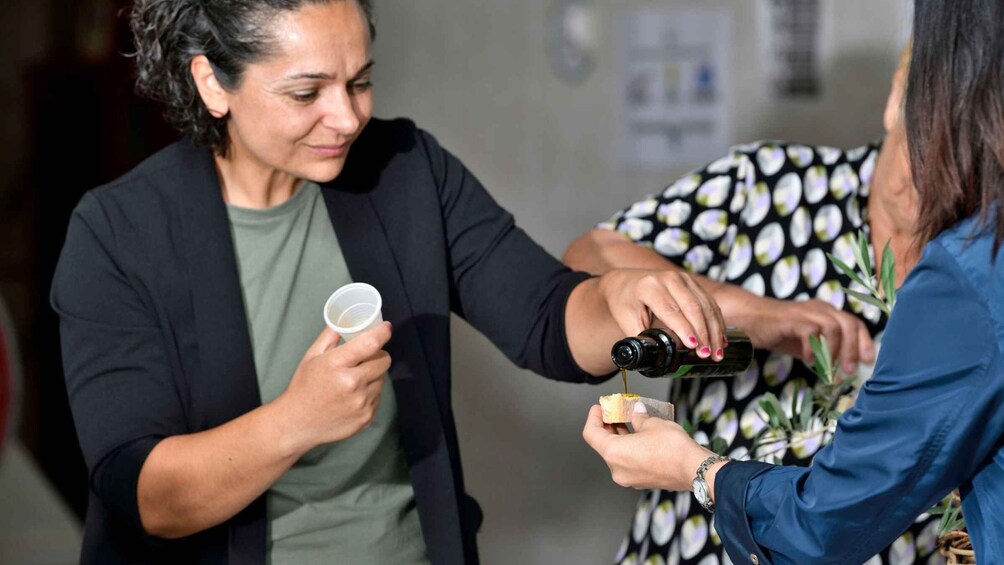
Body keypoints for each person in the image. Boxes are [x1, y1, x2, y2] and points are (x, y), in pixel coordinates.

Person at [49, 1, 728, 563]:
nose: (346, 117)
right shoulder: (118, 234)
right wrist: (297, 420)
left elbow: (547, 319)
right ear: (212, 84)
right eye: (307, 92)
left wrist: (614, 298)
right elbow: (146, 495)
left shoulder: (404, 172)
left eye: (360, 81)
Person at [583, 0, 1004, 562]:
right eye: (917, 139)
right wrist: (757, 314)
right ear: (895, 99)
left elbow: (834, 515)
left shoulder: (971, 261)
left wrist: (698, 469)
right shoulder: (767, 187)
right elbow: (590, 257)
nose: (927, 178)